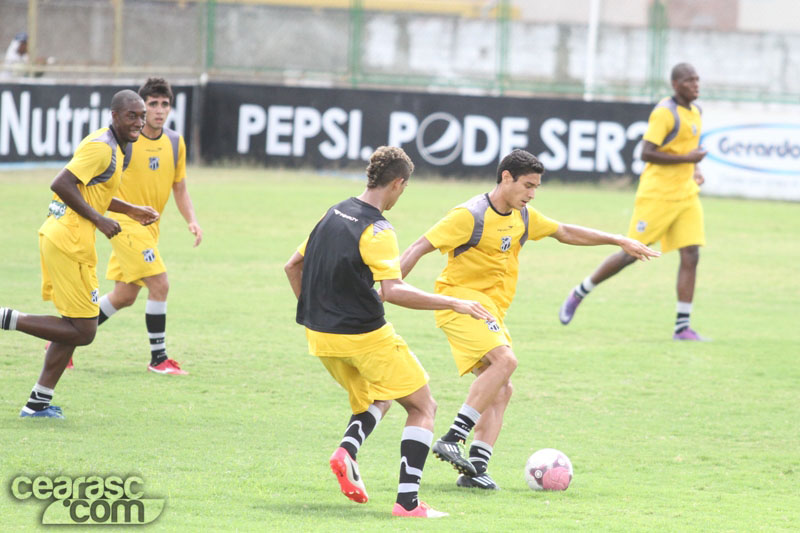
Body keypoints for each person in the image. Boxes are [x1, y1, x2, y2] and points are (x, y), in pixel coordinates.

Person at [399, 149, 659, 490]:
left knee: (503, 388)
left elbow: (564, 231)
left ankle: (475, 470)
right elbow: (418, 246)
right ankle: (453, 436)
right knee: (506, 360)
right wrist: (388, 286)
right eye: (528, 185)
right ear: (506, 177)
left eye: (536, 187)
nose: (532, 194)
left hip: (491, 310)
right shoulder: (469, 215)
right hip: (460, 303)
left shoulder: (522, 216)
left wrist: (618, 239)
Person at [284, 146, 494, 518]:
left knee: (380, 394)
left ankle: (346, 451)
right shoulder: (378, 228)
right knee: (422, 406)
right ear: (397, 183)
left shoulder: (332, 212)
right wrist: (454, 302)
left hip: (320, 338)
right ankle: (408, 504)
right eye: (404, 187)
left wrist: (317, 312)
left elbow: (292, 266)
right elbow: (392, 291)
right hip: (365, 336)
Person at [0, 90, 159, 419]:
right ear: (115, 116)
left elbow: (93, 190)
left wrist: (130, 209)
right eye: (133, 115)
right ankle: (6, 318)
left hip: (70, 238)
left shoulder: (119, 148)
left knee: (72, 324)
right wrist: (100, 220)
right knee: (84, 330)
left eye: (142, 115)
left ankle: (38, 403)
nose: (139, 122)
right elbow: (61, 183)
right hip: (68, 240)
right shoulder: (102, 147)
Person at [559, 63, 708, 341]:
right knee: (630, 253)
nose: (696, 85)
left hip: (686, 194)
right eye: (690, 81)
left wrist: (695, 169)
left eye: (698, 80)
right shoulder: (665, 113)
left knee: (691, 254)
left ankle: (682, 327)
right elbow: (646, 153)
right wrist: (688, 160)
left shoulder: (697, 111)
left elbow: (688, 149)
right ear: (675, 85)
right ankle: (579, 292)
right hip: (657, 196)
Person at [74, 77, 202, 375]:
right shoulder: (126, 141)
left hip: (150, 230)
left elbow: (179, 186)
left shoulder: (174, 142)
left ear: (171, 108)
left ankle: (63, 339)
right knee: (160, 283)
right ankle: (159, 359)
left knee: (124, 296)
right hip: (124, 225)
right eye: (153, 104)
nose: (159, 110)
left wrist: (192, 220)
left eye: (164, 104)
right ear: (142, 107)